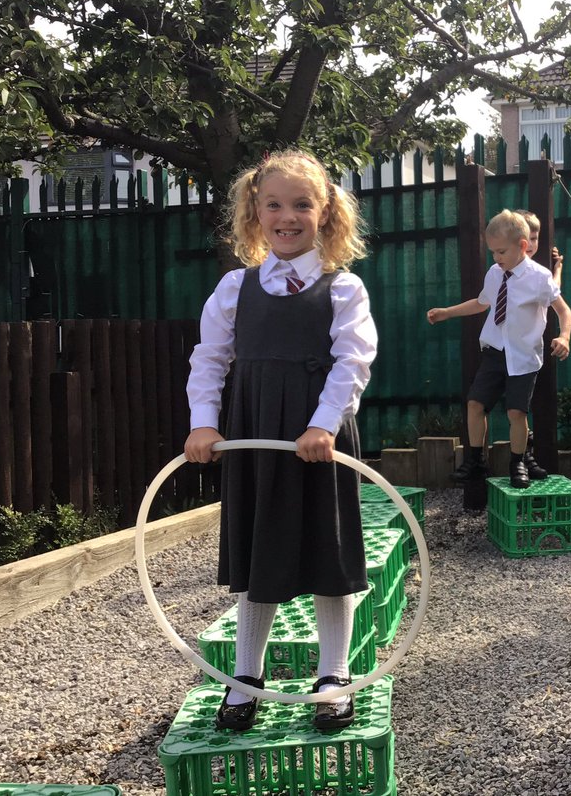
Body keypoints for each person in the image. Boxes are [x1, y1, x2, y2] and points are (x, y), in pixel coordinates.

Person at [184, 149, 377, 733]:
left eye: (301, 204)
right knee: (256, 546)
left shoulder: (343, 288)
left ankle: (333, 675)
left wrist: (322, 424)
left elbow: (353, 362)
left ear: (326, 214)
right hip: (254, 430)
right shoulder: (233, 287)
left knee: (328, 547)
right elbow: (209, 358)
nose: (286, 216)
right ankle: (245, 678)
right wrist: (203, 422)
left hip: (318, 436)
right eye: (274, 204)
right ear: (255, 212)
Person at [426, 209, 571, 488]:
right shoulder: (495, 273)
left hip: (524, 356)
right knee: (474, 403)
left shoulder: (540, 278)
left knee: (516, 413)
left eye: (501, 251)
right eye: (493, 252)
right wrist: (448, 312)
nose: (496, 258)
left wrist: (564, 337)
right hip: (495, 351)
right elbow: (482, 302)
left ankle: (518, 462)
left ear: (522, 246)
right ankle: (475, 460)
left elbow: (564, 311)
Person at [513, 208, 568, 480]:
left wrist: (557, 270)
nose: (532, 244)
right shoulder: (501, 270)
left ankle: (527, 457)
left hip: (528, 350)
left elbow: (552, 295)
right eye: (527, 238)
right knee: (514, 409)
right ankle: (525, 458)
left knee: (520, 408)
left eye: (535, 238)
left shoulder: (538, 274)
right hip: (504, 349)